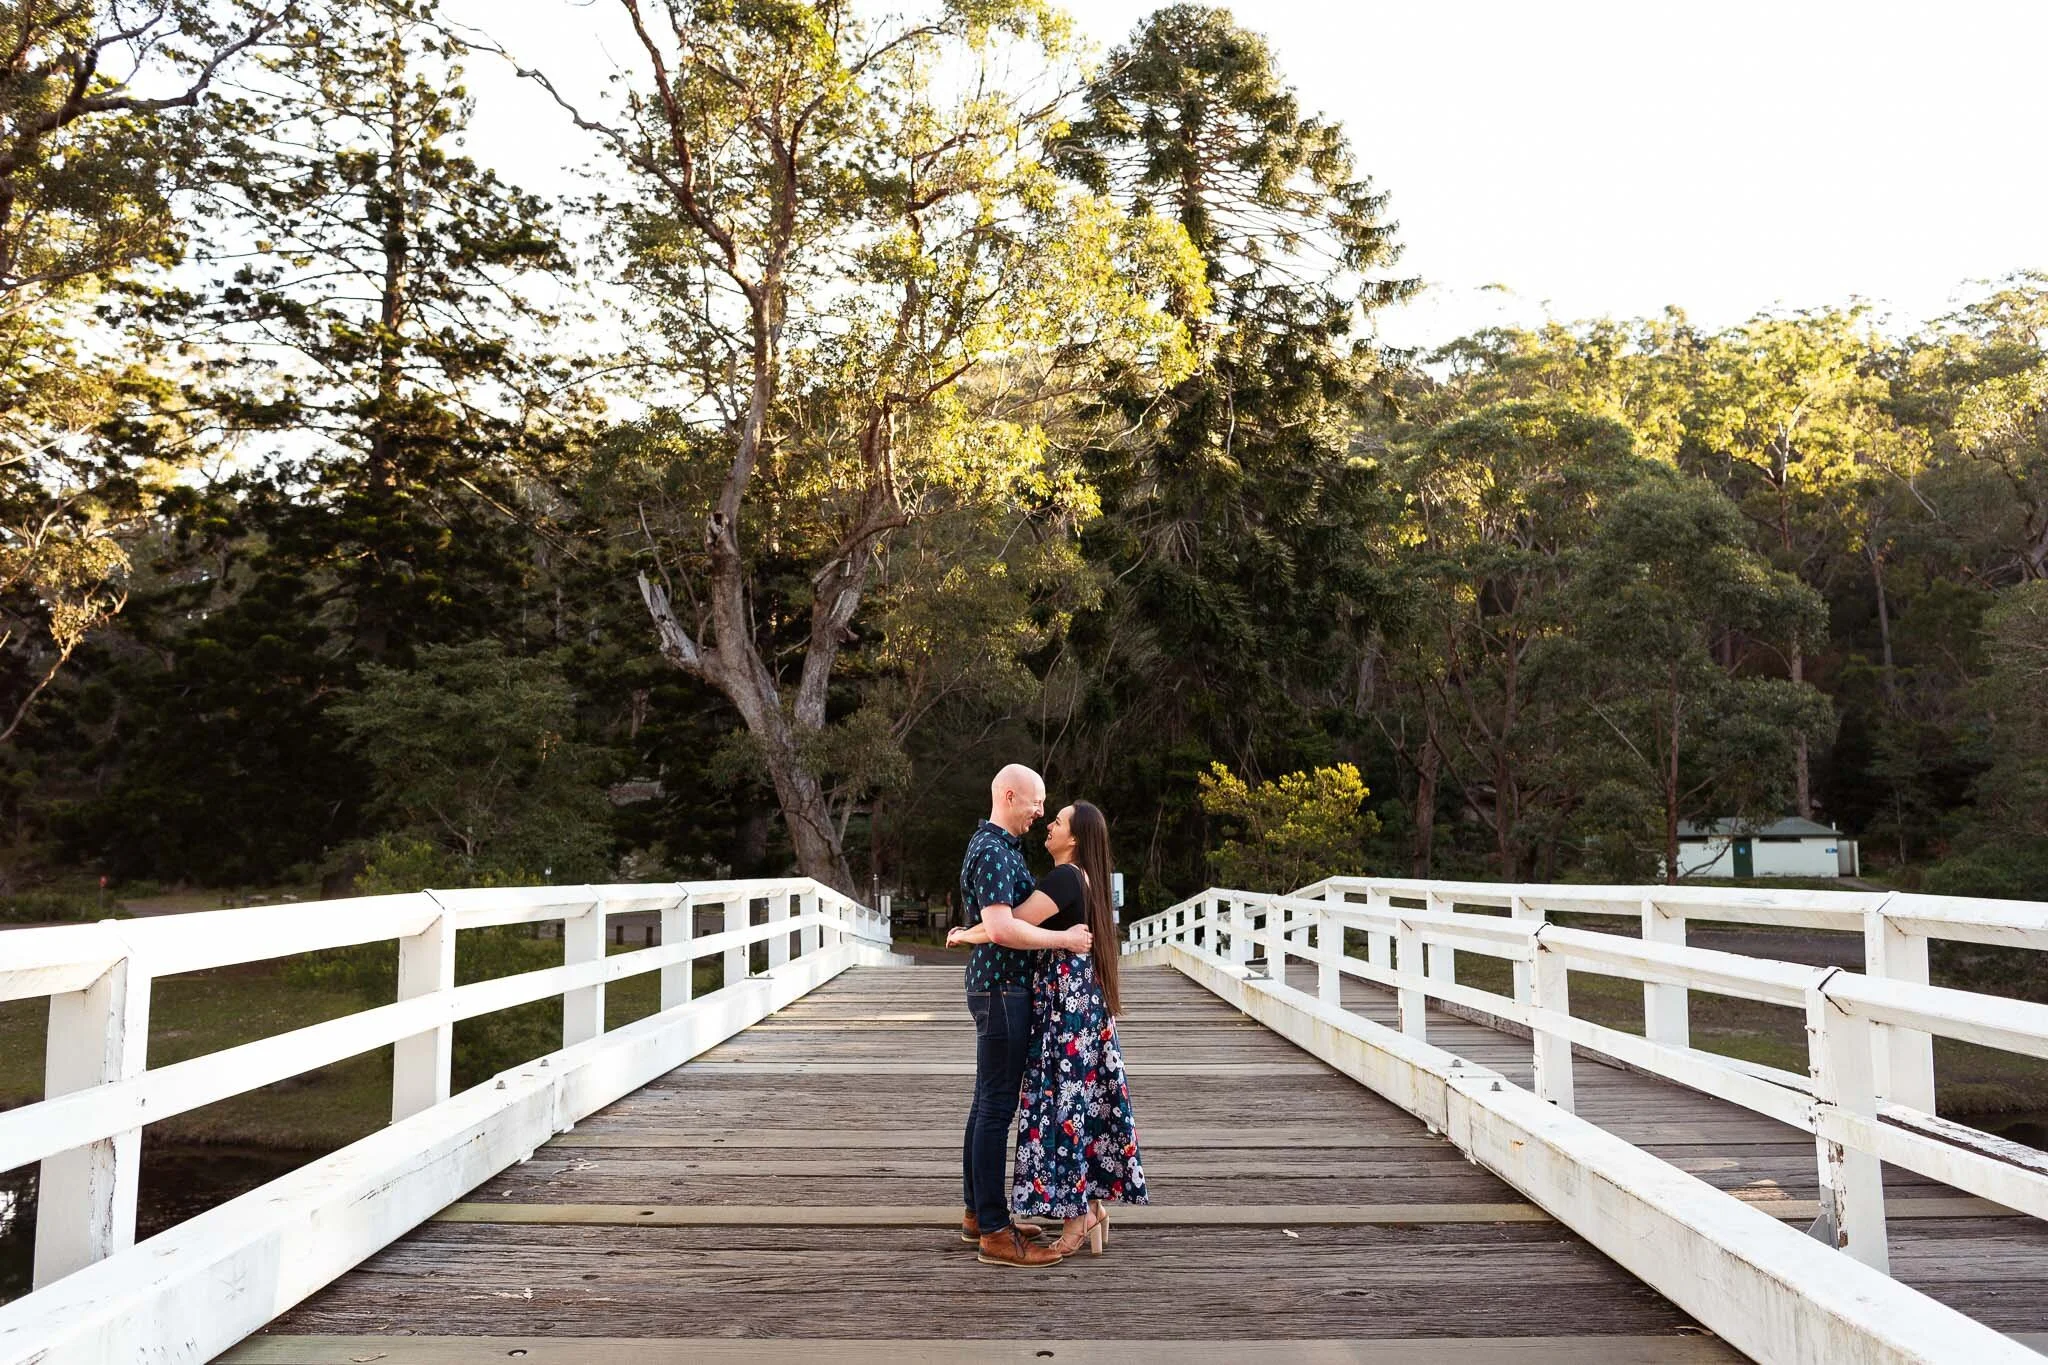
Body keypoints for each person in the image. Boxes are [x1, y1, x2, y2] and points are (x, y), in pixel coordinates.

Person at [950, 800, 1147, 1257]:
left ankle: (1074, 1215)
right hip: (1080, 1003)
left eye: (1057, 820)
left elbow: (1006, 926)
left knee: (1063, 1104)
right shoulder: (1084, 877)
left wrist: (965, 934)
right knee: (1080, 1101)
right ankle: (1087, 1207)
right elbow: (1009, 925)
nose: (1048, 822)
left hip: (1064, 1006)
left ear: (1074, 838)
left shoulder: (1064, 878)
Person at [956, 764, 1092, 1268]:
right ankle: (995, 1232)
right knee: (995, 1109)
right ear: (1010, 796)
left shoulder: (1002, 848)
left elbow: (997, 924)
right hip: (1002, 989)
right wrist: (1065, 939)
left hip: (1001, 988)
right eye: (1036, 802)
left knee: (985, 1104)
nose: (1040, 811)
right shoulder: (993, 851)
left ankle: (978, 1215)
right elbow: (1001, 929)